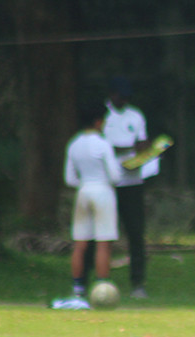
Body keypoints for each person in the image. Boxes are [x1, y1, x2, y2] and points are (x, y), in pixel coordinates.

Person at [62, 102, 123, 307]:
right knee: (103, 242)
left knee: (80, 243)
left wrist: (85, 183)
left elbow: (70, 179)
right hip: (102, 191)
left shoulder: (74, 143)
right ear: (98, 122)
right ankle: (102, 286)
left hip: (83, 191)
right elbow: (115, 175)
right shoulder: (102, 143)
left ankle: (78, 288)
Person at [103, 76, 150, 299]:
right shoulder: (103, 115)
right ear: (112, 95)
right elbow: (104, 147)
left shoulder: (136, 115)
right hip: (109, 183)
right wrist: (126, 149)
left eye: (127, 97)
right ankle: (102, 279)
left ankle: (138, 282)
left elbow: (141, 143)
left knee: (136, 233)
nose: (124, 100)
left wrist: (144, 151)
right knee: (105, 234)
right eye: (121, 96)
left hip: (132, 182)